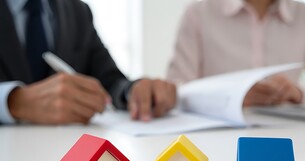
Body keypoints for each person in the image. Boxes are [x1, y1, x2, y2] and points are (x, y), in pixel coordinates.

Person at [0, 0, 177, 125]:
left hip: (60, 156)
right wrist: (13, 102)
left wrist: (132, 92)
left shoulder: (77, 11)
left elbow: (110, 81)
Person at [167, 0, 305, 107]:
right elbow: (177, 90)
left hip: (289, 136)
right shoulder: (199, 14)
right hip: (215, 139)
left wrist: (300, 93)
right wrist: (231, 97)